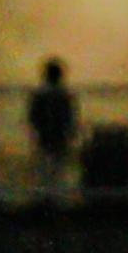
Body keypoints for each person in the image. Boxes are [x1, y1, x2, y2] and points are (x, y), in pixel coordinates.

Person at [27, 58, 78, 197]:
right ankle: (57, 194)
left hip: (44, 134)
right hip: (60, 134)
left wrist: (35, 129)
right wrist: (71, 132)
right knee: (59, 167)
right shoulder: (65, 94)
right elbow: (70, 116)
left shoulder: (39, 93)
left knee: (43, 165)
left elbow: (32, 115)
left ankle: (43, 195)